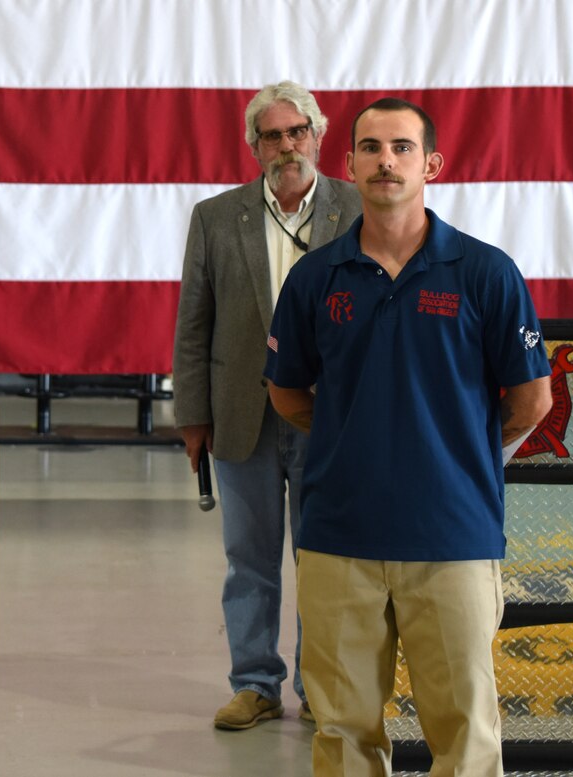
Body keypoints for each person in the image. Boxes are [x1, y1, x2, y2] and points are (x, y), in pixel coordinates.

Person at [265, 97, 552, 776]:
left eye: (400, 148)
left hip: (451, 537)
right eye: (370, 147)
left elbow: (532, 400)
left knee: (467, 736)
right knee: (342, 731)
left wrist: (456, 454)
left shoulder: (486, 272)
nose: (384, 160)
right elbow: (286, 390)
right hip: (339, 537)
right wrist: (355, 434)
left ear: (431, 164)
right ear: (350, 163)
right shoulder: (314, 278)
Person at [172, 81, 361, 730]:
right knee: (248, 558)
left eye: (297, 131)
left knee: (326, 559)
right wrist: (192, 415)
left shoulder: (361, 209)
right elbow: (193, 323)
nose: (287, 145)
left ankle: (319, 683)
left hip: (332, 420)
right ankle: (255, 682)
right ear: (254, 147)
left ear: (318, 134)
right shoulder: (216, 217)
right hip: (241, 417)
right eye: (272, 135)